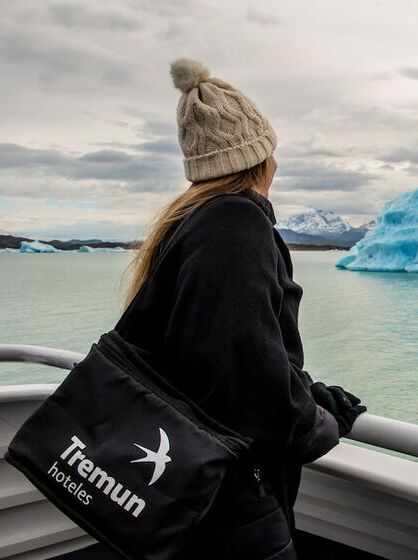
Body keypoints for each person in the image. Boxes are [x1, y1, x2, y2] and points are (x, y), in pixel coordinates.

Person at [113, 58, 367, 559]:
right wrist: (320, 421)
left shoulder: (191, 221)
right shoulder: (234, 222)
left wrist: (305, 391)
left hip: (190, 481)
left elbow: (211, 347)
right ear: (257, 157)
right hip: (226, 497)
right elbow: (244, 369)